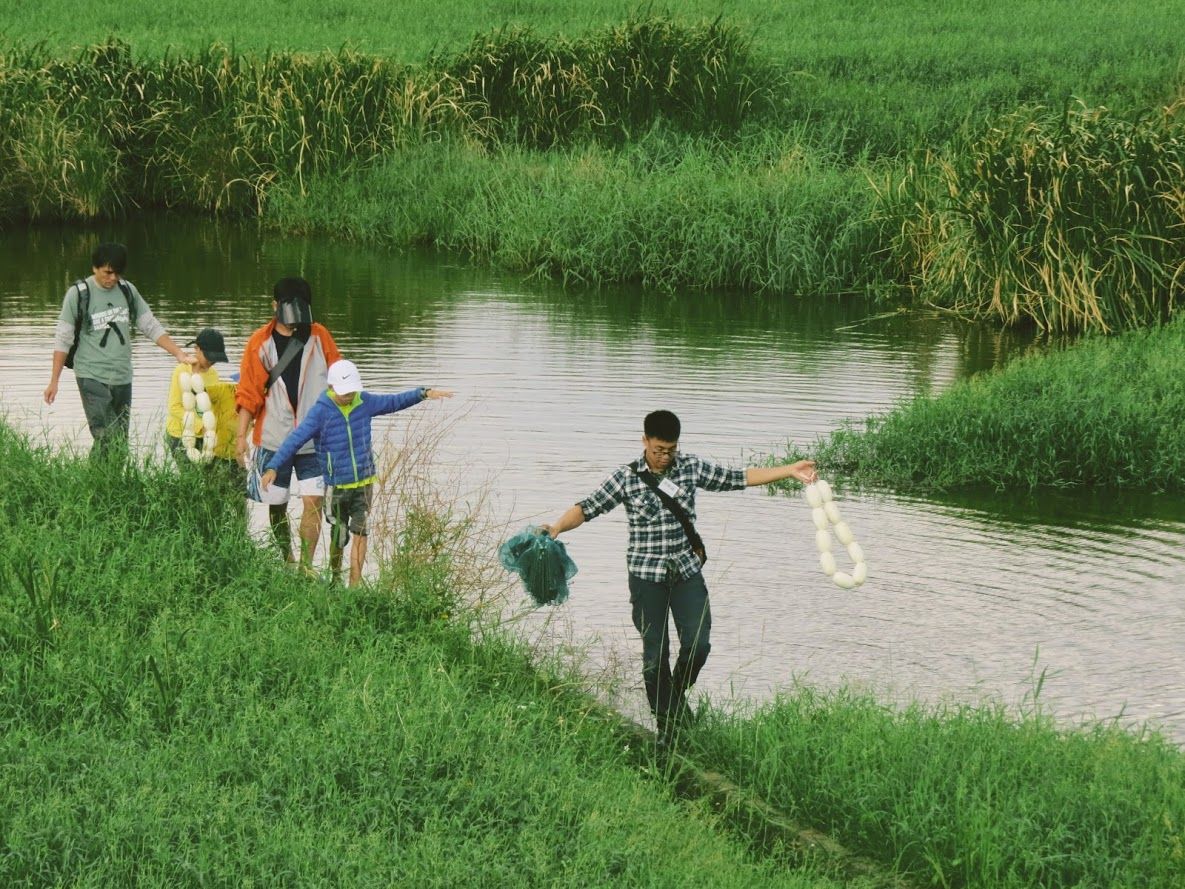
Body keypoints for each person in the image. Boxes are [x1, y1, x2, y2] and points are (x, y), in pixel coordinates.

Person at [541, 409, 817, 740]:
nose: (664, 456)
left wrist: (790, 470)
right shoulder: (626, 478)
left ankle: (673, 699)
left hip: (686, 572)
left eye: (670, 449)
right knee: (655, 658)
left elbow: (738, 477)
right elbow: (587, 507)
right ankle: (667, 730)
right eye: (658, 449)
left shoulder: (690, 468)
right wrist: (557, 526)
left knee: (698, 645)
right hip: (646, 577)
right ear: (644, 441)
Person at [259, 359, 453, 586]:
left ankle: (354, 585)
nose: (349, 396)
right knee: (339, 536)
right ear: (331, 388)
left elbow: (394, 402)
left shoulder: (364, 402)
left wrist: (422, 393)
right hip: (336, 486)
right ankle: (335, 577)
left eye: (351, 391)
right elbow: (295, 439)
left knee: (361, 531)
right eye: (344, 392)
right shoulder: (321, 412)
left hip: (363, 483)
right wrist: (274, 466)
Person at [43, 241, 192, 459]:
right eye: (108, 272)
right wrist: (54, 380)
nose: (113, 278)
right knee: (107, 436)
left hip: (123, 376)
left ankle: (107, 487)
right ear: (95, 268)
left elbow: (149, 325)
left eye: (118, 273)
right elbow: (63, 339)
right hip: (91, 375)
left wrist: (178, 353)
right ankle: (96, 488)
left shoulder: (127, 291)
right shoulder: (78, 294)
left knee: (120, 441)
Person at [235, 277, 342, 572]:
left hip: (314, 440)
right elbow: (248, 393)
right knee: (276, 502)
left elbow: (339, 381)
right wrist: (240, 436)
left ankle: (306, 568)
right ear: (275, 306)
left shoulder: (320, 336)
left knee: (314, 501)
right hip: (274, 439)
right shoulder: (259, 343)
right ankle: (288, 560)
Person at [164, 328, 241, 484]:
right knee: (191, 481)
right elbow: (175, 407)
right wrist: (200, 425)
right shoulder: (181, 371)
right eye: (209, 357)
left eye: (215, 358)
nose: (211, 362)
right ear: (197, 349)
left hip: (205, 437)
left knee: (208, 482)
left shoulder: (213, 374)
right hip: (180, 435)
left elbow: (210, 406)